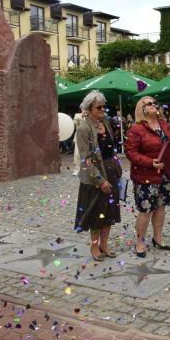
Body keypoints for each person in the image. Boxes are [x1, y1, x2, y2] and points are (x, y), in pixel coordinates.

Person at [125, 96, 170, 258]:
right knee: (146, 210)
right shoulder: (136, 129)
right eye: (149, 104)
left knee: (161, 206)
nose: (154, 105)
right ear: (141, 109)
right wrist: (151, 162)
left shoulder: (163, 124)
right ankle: (140, 242)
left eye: (155, 103)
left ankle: (158, 238)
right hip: (146, 175)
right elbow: (131, 153)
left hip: (166, 174)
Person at [74, 90, 122, 261]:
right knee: (96, 213)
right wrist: (100, 180)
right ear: (88, 109)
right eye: (98, 107)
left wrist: (117, 170)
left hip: (111, 172)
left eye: (104, 106)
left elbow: (111, 150)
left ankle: (104, 245)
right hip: (95, 175)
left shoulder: (106, 124)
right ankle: (94, 246)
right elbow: (86, 160)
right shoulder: (83, 128)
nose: (103, 109)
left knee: (109, 212)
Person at [72, 111, 85, 176]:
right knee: (77, 154)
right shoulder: (77, 115)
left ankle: (86, 170)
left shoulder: (90, 116)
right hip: (78, 137)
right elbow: (74, 123)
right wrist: (81, 117)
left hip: (87, 138)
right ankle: (77, 169)